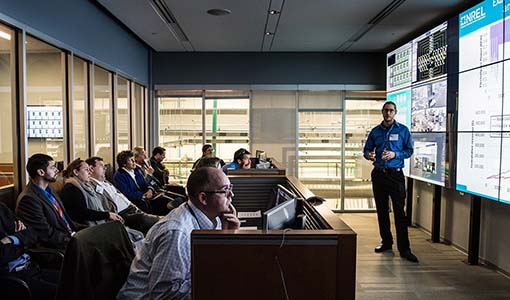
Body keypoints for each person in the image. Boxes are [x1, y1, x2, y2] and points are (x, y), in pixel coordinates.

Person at [118, 167, 240, 300]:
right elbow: (163, 294)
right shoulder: (177, 233)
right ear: (203, 198)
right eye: (225, 190)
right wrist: (214, 284)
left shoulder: (214, 217)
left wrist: (228, 234)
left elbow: (212, 262)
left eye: (231, 188)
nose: (231, 195)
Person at [363, 101, 418, 263]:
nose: (388, 113)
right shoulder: (375, 131)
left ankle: (405, 249)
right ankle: (386, 242)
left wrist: (395, 155)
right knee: (381, 211)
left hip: (395, 176)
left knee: (400, 213)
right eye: (386, 110)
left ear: (395, 112)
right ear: (382, 112)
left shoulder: (403, 130)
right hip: (379, 175)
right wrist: (369, 155)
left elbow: (409, 150)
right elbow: (366, 149)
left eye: (391, 111)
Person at [16, 154, 78, 250]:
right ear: (41, 172)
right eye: (52, 168)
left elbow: (64, 220)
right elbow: (45, 234)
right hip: (56, 248)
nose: (57, 171)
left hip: (70, 236)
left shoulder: (50, 190)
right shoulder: (29, 199)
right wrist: (74, 241)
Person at [87, 156, 160, 234]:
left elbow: (120, 195)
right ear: (91, 169)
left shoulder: (106, 182)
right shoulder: (91, 186)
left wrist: (132, 204)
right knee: (151, 220)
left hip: (131, 207)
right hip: (121, 213)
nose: (105, 168)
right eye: (101, 166)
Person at [1, 202, 58, 299]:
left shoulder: (2, 207)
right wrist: (21, 241)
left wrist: (10, 240)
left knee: (75, 280)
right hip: (13, 279)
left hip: (32, 266)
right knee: (66, 292)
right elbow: (2, 255)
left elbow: (32, 234)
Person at [61, 159, 123, 226]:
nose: (90, 172)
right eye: (87, 170)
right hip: (85, 227)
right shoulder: (71, 188)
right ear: (76, 172)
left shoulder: (86, 186)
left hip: (99, 220)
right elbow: (83, 214)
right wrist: (108, 215)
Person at [114, 150, 169, 215]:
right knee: (161, 206)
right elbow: (126, 194)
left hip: (147, 197)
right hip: (136, 201)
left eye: (133, 159)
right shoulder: (119, 176)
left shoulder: (136, 170)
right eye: (131, 160)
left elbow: (145, 183)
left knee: (167, 201)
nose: (134, 162)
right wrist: (143, 196)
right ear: (124, 164)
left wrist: (150, 190)